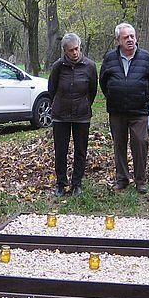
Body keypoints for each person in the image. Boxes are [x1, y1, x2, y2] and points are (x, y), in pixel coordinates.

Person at [99, 22, 149, 194]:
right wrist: (114, 94)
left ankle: (140, 180)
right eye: (126, 37)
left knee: (140, 143)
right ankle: (122, 178)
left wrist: (141, 95)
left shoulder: (146, 58)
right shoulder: (109, 58)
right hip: (117, 111)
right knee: (119, 145)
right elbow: (103, 81)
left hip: (139, 110)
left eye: (132, 36)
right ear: (118, 41)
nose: (130, 40)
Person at [47, 32, 98, 197]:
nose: (75, 52)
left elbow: (93, 91)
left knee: (80, 150)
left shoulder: (89, 66)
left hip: (82, 115)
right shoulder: (57, 67)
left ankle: (77, 184)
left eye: (77, 49)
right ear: (64, 51)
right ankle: (61, 183)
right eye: (71, 50)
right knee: (60, 151)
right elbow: (51, 89)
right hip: (60, 114)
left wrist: (83, 104)